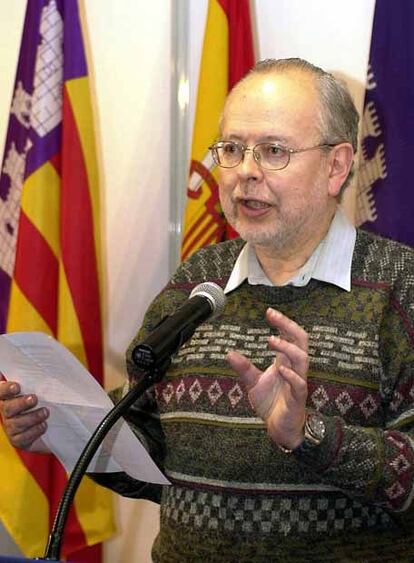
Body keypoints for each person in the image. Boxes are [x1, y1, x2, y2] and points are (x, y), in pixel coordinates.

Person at [2, 57, 414, 562]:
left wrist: (308, 433)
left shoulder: (401, 287)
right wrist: (57, 427)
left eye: (273, 151)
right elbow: (152, 453)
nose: (244, 173)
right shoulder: (198, 279)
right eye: (232, 149)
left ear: (336, 166)